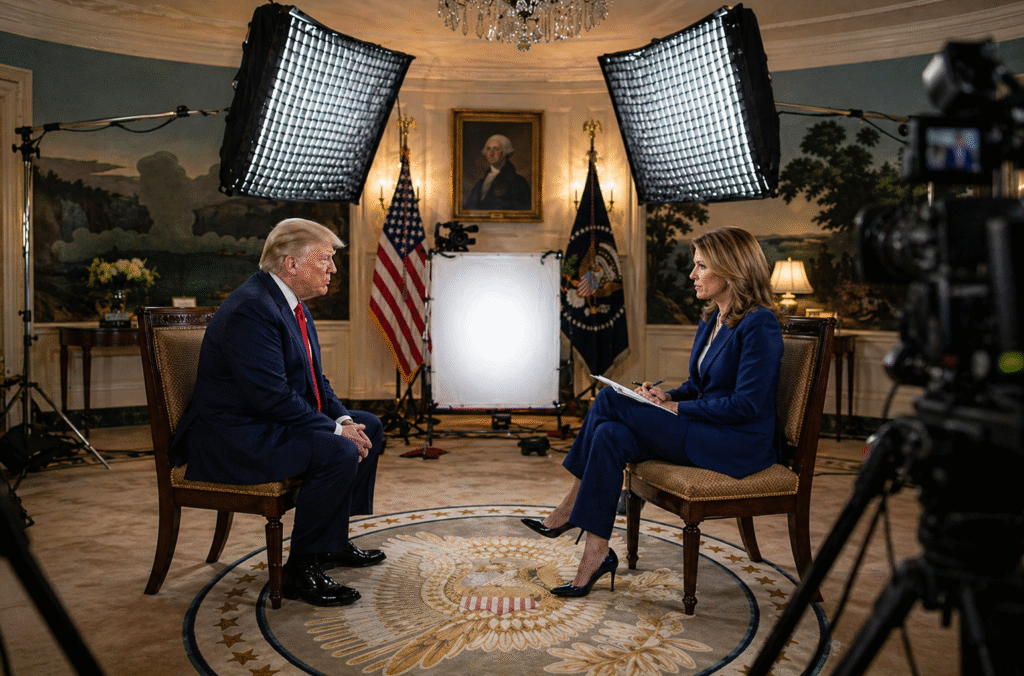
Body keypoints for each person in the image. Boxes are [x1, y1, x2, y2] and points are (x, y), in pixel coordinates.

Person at [522, 226, 783, 597]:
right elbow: (699, 386)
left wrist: (679, 407)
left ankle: (568, 508)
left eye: (701, 266)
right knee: (609, 435)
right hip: (704, 427)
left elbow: (747, 404)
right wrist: (663, 396)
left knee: (610, 400)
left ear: (732, 268)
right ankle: (595, 554)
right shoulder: (711, 319)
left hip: (736, 443)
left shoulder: (760, 323)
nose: (692, 275)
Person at [170, 218, 386, 607]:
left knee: (369, 425)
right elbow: (271, 397)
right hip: (233, 437)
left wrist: (345, 421)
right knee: (339, 450)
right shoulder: (251, 309)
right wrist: (337, 435)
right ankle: (299, 571)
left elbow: (315, 381)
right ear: (291, 264)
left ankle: (329, 544)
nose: (333, 269)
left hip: (263, 422)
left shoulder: (290, 305)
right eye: (326, 259)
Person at [464, 134, 531, 210]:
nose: (491, 153)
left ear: (505, 152)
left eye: (496, 149)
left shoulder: (519, 183)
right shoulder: (480, 184)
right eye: (488, 149)